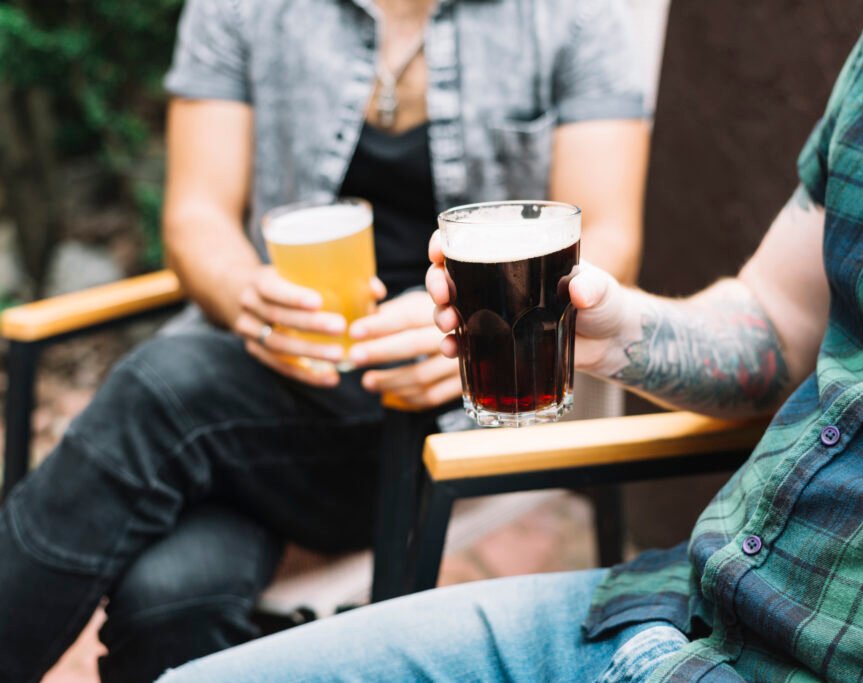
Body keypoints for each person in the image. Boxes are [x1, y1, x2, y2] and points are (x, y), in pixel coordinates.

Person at [157, 0, 863, 680]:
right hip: (671, 611)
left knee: (162, 398)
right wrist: (609, 331)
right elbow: (772, 324)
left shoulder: (564, 20)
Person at [0, 0, 649, 680]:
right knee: (171, 598)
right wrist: (245, 293)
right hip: (254, 388)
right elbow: (196, 216)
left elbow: (610, 238)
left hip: (437, 416)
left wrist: (467, 337)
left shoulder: (573, 16)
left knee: (159, 391)